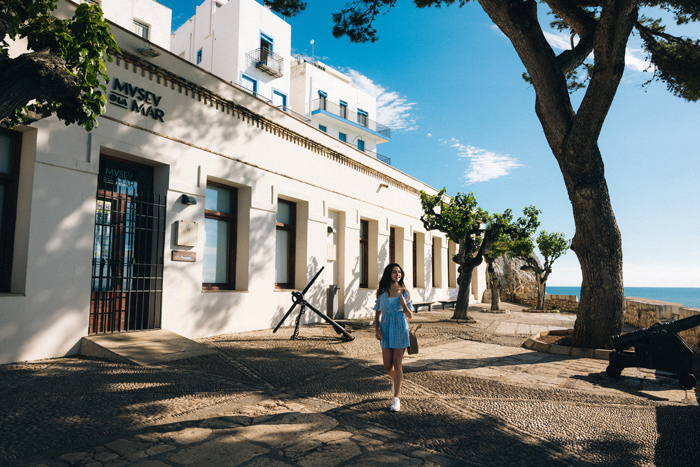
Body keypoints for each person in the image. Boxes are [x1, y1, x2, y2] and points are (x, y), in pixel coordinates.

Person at [373, 263, 414, 412]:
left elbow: (410, 315)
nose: (398, 274)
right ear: (389, 274)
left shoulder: (404, 292)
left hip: (400, 328)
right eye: (394, 272)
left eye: (399, 272)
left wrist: (404, 305)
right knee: (387, 366)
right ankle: (397, 379)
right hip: (385, 329)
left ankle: (396, 398)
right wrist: (377, 329)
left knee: (397, 363)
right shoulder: (381, 293)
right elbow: (377, 314)